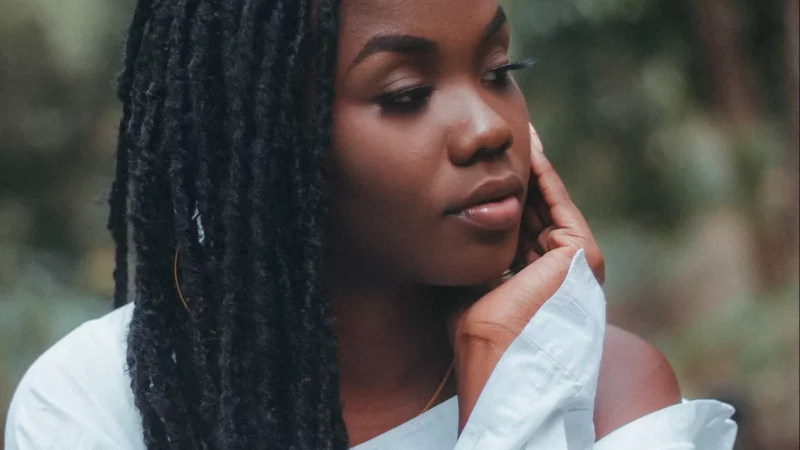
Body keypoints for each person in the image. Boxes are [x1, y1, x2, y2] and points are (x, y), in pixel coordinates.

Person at [4, 0, 738, 448]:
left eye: (499, 70)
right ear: (265, 139)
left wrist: (523, 378)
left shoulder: (610, 387)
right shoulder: (99, 399)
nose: (489, 127)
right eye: (406, 92)